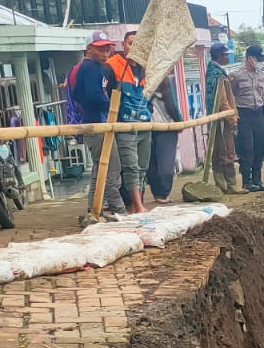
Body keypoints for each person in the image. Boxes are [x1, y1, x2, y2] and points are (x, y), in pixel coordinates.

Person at [69, 30, 124, 215]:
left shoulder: (90, 68)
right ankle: (118, 209)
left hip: (94, 123)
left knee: (99, 169)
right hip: (98, 124)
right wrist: (112, 107)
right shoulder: (91, 68)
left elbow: (78, 94)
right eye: (101, 49)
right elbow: (92, 95)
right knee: (111, 170)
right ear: (89, 49)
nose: (106, 53)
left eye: (108, 48)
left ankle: (94, 209)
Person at [108, 31, 151, 213]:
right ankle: (138, 206)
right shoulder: (113, 66)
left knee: (142, 167)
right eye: (130, 43)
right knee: (130, 166)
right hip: (124, 125)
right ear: (123, 45)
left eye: (137, 44)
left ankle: (136, 204)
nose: (134, 47)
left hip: (143, 123)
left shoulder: (145, 68)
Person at [230, 44, 264, 192]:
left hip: (258, 113)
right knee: (246, 148)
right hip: (243, 114)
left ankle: (257, 180)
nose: (259, 62)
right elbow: (230, 95)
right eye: (257, 59)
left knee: (260, 147)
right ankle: (247, 181)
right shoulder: (236, 75)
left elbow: (262, 95)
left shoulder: (261, 75)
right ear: (249, 58)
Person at [203, 42, 239, 194]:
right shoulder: (216, 74)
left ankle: (222, 185)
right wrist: (231, 118)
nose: (228, 57)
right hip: (221, 119)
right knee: (225, 152)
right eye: (225, 54)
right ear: (219, 56)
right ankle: (229, 186)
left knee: (219, 152)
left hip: (216, 118)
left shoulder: (216, 71)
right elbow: (222, 99)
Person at [146, 57, 184, 203]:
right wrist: (179, 122)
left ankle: (160, 193)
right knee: (162, 163)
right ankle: (162, 194)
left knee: (155, 163)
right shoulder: (164, 81)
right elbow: (172, 106)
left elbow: (171, 105)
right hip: (158, 127)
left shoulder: (154, 81)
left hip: (154, 126)